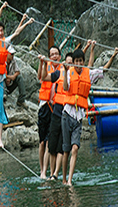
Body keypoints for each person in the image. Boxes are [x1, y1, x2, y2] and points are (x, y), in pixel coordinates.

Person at [61, 49, 93, 186]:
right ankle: (63, 178)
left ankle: (69, 181)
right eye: (76, 62)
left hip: (79, 117)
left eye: (81, 61)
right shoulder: (69, 72)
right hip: (67, 114)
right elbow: (65, 87)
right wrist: (64, 70)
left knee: (75, 148)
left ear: (83, 62)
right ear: (73, 63)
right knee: (66, 150)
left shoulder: (88, 73)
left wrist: (92, 49)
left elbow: (101, 69)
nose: (79, 64)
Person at [40, 52, 73, 181]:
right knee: (52, 145)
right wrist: (43, 63)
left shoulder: (76, 76)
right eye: (67, 62)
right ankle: (52, 173)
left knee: (61, 146)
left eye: (71, 63)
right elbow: (44, 77)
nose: (69, 65)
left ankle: (56, 173)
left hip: (68, 112)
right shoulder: (59, 73)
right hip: (57, 110)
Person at [37, 45, 62, 179]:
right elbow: (40, 77)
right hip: (44, 106)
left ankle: (45, 171)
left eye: (56, 54)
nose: (54, 56)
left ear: (59, 56)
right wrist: (41, 63)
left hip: (55, 107)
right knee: (42, 142)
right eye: (51, 54)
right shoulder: (45, 65)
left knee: (48, 141)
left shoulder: (63, 69)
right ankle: (42, 170)